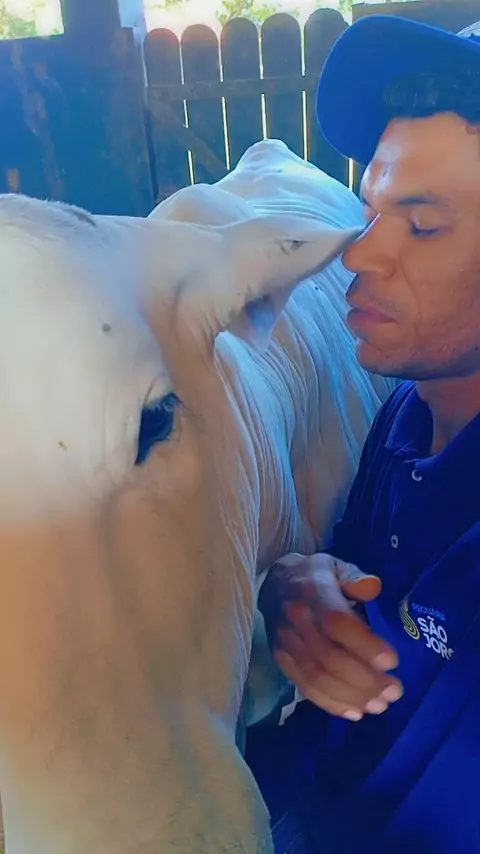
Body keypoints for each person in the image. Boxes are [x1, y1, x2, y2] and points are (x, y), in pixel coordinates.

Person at [245, 15, 480, 854]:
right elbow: (349, 585)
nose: (360, 256)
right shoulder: (406, 412)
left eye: (424, 225)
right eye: (372, 210)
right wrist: (292, 587)